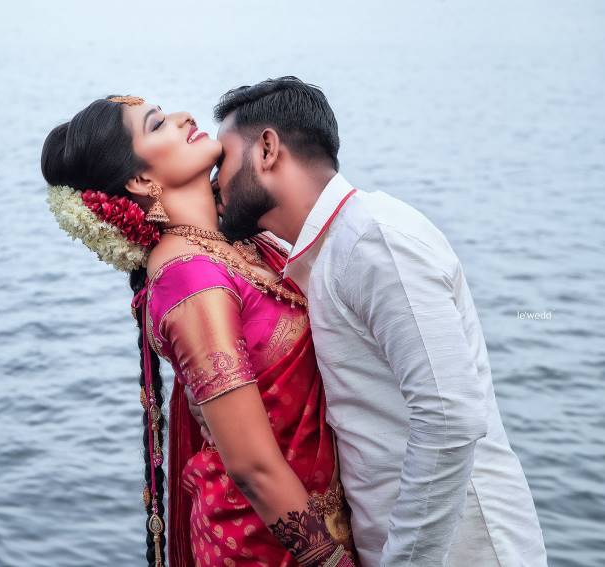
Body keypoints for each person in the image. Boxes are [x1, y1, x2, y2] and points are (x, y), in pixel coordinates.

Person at [205, 76, 548, 566]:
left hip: (463, 548)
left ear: (266, 150)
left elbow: (450, 416)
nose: (216, 181)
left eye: (223, 160)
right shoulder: (321, 250)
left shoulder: (374, 240)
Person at [41, 94, 358, 566]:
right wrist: (331, 560)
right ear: (142, 179)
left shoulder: (233, 242)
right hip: (265, 546)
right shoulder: (190, 277)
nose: (184, 117)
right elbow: (251, 467)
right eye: (158, 124)